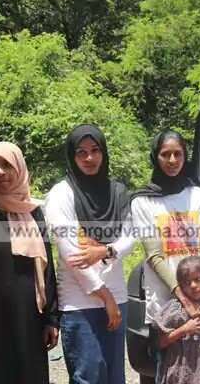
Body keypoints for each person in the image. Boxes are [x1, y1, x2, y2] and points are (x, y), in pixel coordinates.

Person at [0, 142, 59, 384]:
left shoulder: (33, 213)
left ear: (20, 168)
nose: (0, 172)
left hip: (30, 326)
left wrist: (51, 318)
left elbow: (47, 269)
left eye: (7, 165)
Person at [45, 124, 135, 384]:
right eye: (81, 152)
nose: (89, 158)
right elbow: (73, 256)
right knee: (89, 376)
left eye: (95, 150)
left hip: (117, 298)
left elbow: (130, 237)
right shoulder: (61, 194)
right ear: (71, 156)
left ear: (103, 152)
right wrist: (105, 297)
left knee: (115, 377)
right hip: (79, 303)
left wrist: (106, 250)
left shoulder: (117, 192)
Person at [131, 130, 200, 379]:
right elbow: (154, 255)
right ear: (155, 157)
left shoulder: (199, 196)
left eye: (178, 154)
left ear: (185, 156)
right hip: (166, 305)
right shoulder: (143, 201)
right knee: (167, 371)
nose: (172, 161)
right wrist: (184, 299)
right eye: (165, 154)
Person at [152, 255, 200, 384]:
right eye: (187, 282)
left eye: (198, 279)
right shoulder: (175, 309)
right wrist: (184, 329)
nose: (193, 285)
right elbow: (159, 342)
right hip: (180, 372)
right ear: (180, 286)